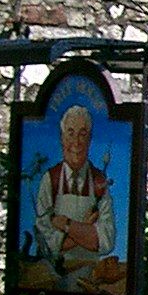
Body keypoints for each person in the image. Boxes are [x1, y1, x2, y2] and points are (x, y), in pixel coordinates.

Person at [30, 101, 116, 284]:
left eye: (82, 134)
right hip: (53, 277)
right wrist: (86, 227)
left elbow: (106, 241)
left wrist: (67, 225)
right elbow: (46, 241)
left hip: (89, 277)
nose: (76, 142)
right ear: (62, 138)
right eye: (70, 133)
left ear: (89, 139)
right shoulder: (50, 180)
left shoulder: (99, 182)